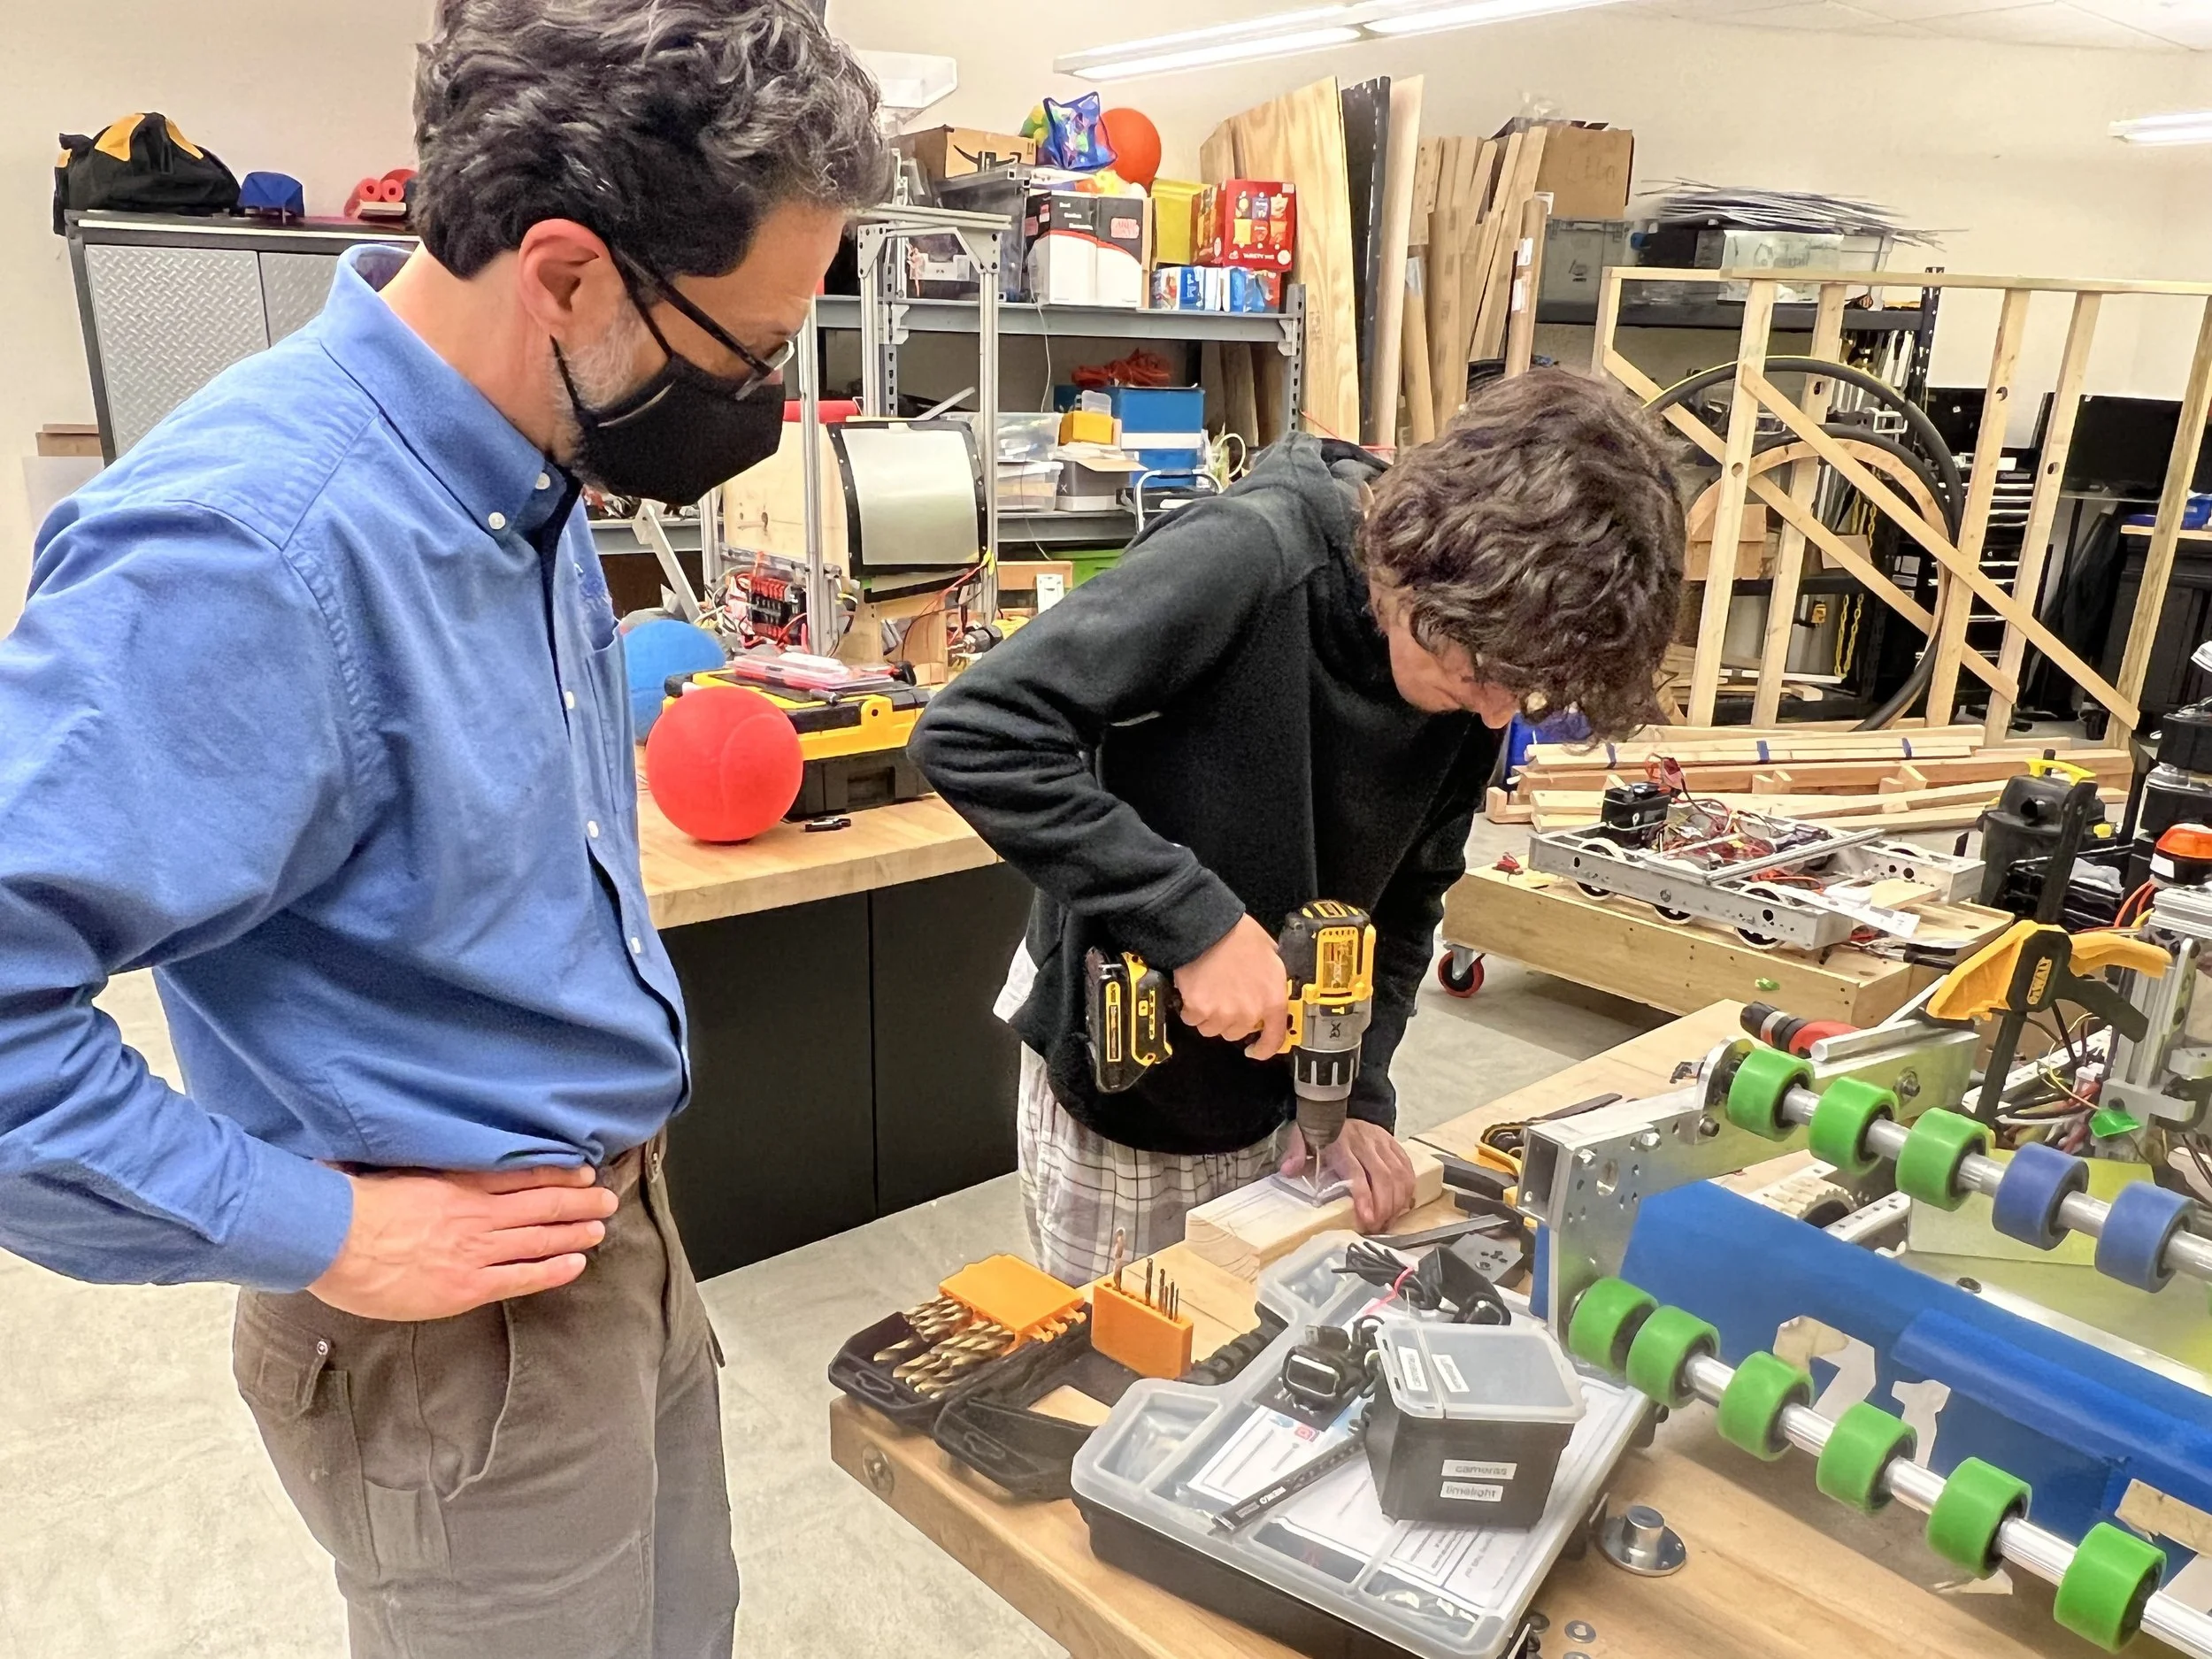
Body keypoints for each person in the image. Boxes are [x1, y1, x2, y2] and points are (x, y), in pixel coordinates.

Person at [0, 2, 887, 1653]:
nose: (757, 397)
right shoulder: (251, 550)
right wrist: (317, 1226)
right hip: (451, 1337)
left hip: (615, 1234)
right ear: (563, 272)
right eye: (744, 350)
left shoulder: (521, 456)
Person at [911, 371, 1685, 1285]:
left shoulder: (1483, 653)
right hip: (1128, 1076)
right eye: (1486, 674)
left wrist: (1355, 1096)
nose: (1494, 712)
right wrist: (1192, 923)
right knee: (1122, 1363)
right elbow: (975, 734)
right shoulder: (1247, 559)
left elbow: (1405, 900)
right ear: (1431, 567)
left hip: (1281, 1082)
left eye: (1527, 689)